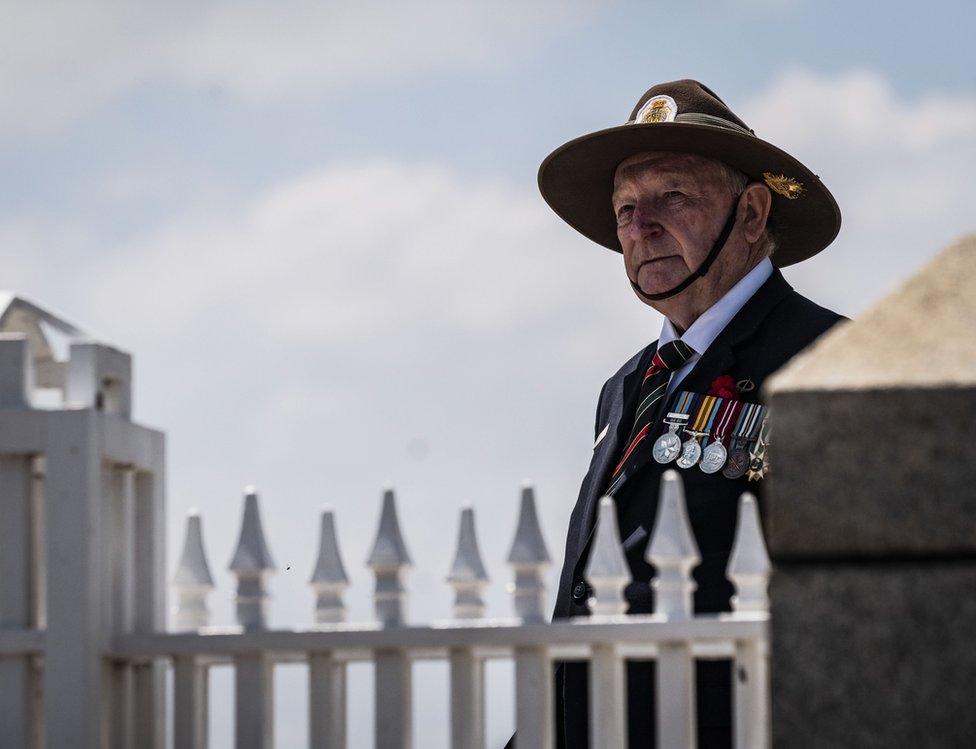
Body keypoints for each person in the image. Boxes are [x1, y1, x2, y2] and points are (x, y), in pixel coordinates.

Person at [536, 79, 844, 747]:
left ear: (753, 214)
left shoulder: (831, 361)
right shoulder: (624, 387)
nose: (640, 228)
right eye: (624, 210)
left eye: (672, 197)